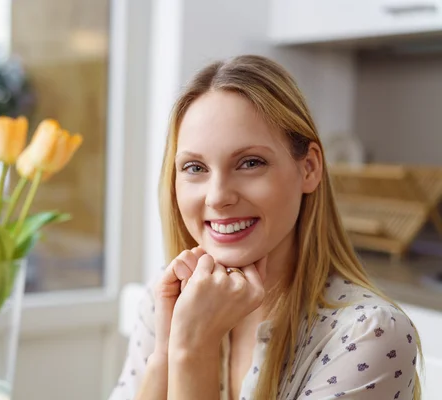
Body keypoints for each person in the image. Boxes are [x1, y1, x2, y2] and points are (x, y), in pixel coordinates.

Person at [108, 55, 421, 400]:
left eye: (250, 163)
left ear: (309, 168)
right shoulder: (167, 299)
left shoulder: (368, 335)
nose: (218, 197)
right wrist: (165, 358)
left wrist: (192, 352)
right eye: (195, 167)